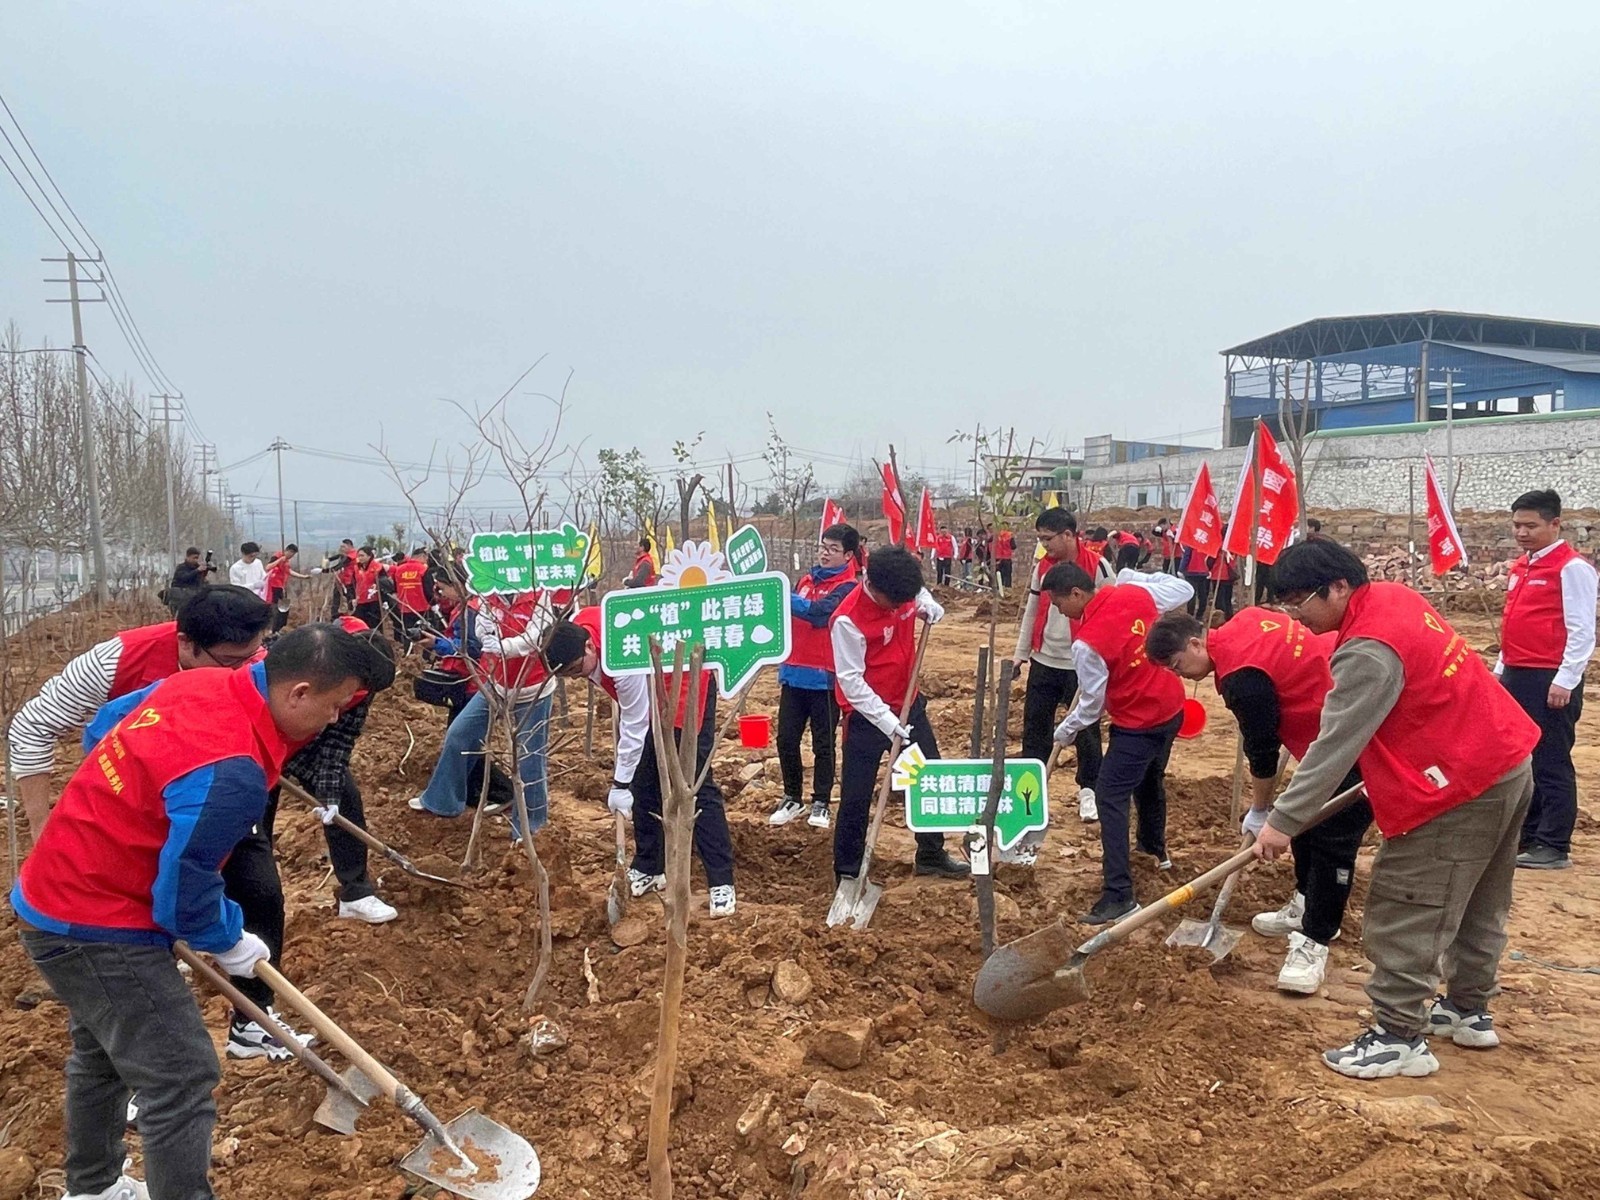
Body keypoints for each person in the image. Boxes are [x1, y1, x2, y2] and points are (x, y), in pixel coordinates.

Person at [12, 624, 381, 1200]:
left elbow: (104, 729)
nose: (334, 721)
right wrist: (232, 940)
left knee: (103, 1053)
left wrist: (127, 809)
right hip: (96, 923)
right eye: (334, 707)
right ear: (300, 692)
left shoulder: (204, 683)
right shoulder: (231, 770)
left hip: (56, 891)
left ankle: (93, 1187)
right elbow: (183, 894)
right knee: (182, 1077)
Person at [1257, 539, 1538, 1079]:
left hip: (1455, 785)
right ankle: (1467, 1010)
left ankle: (1397, 1036)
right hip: (1503, 761)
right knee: (1480, 900)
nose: (1295, 614)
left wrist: (1282, 821)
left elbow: (1334, 744)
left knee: (1408, 906)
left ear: (1338, 587)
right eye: (1286, 604)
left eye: (1301, 601)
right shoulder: (1393, 598)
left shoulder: (1365, 648)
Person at [1147, 607, 1375, 994]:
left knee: (1333, 836)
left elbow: (1262, 749)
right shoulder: (1243, 622)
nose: (1178, 675)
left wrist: (1260, 809)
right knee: (1302, 818)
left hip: (1354, 736)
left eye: (1176, 664)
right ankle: (1303, 903)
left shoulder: (1241, 679)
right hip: (1324, 734)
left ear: (1195, 643)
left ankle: (1316, 940)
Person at [8, 585, 273, 840]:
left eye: (251, 657)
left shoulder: (260, 666)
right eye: (228, 661)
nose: (241, 672)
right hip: (128, 798)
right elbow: (32, 726)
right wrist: (40, 825)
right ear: (184, 643)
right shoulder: (113, 662)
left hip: (215, 794)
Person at [549, 612, 737, 915]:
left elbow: (635, 724)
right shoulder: (577, 623)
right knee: (645, 781)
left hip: (684, 682)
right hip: (649, 689)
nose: (575, 678)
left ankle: (721, 881)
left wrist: (619, 784)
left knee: (693, 784)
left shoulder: (620, 660)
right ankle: (650, 867)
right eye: (567, 675)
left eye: (575, 669)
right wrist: (629, 781)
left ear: (589, 647)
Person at [1047, 562, 1194, 923]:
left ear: (1077, 594)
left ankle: (1118, 893)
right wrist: (1136, 578)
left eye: (1058, 603)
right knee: (1148, 779)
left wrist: (1066, 730)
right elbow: (1184, 590)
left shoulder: (1086, 643)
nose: (1057, 610)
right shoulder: (1133, 593)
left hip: (1140, 721)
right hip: (1172, 707)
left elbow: (1092, 704)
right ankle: (1153, 851)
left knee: (1109, 795)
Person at [831, 544, 969, 882]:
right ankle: (848, 872)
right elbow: (851, 682)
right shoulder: (847, 621)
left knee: (927, 779)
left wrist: (925, 602)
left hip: (910, 703)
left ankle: (931, 853)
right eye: (896, 602)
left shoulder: (901, 588)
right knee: (856, 796)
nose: (900, 606)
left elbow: (915, 591)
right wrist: (887, 721)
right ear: (872, 584)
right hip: (866, 716)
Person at [1492, 490, 1596, 870]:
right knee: (1523, 757)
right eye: (1517, 525)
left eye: (1531, 526)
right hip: (1518, 675)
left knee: (1551, 760)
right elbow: (1513, 625)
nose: (1522, 532)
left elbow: (1582, 630)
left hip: (1549, 678)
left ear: (1555, 524)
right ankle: (1530, 835)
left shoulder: (1572, 568)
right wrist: (1501, 671)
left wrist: (1565, 679)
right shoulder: (1522, 567)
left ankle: (1554, 844)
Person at [409, 587, 556, 840]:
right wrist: (488, 637)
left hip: (534, 688)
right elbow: (482, 630)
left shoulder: (540, 596)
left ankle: (531, 828)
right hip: (496, 683)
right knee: (459, 734)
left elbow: (534, 638)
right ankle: (442, 800)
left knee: (530, 759)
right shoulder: (490, 595)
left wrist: (503, 646)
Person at [280, 619, 401, 925]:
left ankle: (356, 894)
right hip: (264, 744)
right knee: (249, 832)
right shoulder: (303, 663)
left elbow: (339, 740)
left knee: (344, 798)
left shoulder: (362, 681)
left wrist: (329, 794)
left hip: (308, 741)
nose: (354, 697)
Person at [1013, 508, 1110, 843]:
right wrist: (1021, 653)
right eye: (1040, 539)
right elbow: (1030, 611)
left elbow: (1110, 612)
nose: (1044, 545)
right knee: (1035, 728)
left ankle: (1088, 790)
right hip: (1045, 659)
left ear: (1069, 535)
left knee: (1086, 730)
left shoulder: (1097, 567)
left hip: (1081, 664)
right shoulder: (1042, 568)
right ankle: (1030, 795)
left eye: (1047, 538)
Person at [770, 524, 861, 830]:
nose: (825, 553)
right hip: (794, 674)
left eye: (833, 549)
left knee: (823, 743)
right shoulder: (805, 581)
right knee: (786, 739)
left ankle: (821, 801)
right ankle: (792, 796)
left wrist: (782, 595)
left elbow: (821, 614)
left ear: (848, 555)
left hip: (824, 677)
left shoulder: (848, 587)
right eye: (823, 546)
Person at [388, 547, 433, 644]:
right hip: (423, 607)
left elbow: (396, 589)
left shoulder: (399, 570)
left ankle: (408, 652)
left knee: (408, 632)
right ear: (422, 556)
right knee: (425, 632)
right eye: (426, 558)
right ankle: (425, 656)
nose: (426, 561)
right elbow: (428, 589)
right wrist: (433, 603)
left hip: (405, 607)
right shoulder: (424, 569)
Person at [263, 545, 308, 634]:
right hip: (273, 585)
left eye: (293, 554)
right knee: (275, 607)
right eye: (291, 553)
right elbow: (268, 567)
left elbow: (289, 571)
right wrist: (280, 560)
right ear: (287, 550)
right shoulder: (277, 556)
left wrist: (303, 577)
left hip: (281, 586)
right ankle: (271, 628)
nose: (291, 556)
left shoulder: (286, 561)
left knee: (283, 607)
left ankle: (280, 627)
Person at [165, 547, 215, 615]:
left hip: (193, 597)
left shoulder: (196, 566)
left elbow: (200, 581)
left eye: (197, 558)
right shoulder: (181, 567)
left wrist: (204, 571)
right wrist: (197, 570)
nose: (196, 560)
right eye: (194, 558)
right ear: (188, 557)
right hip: (181, 597)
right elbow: (185, 577)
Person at [352, 546, 385, 630]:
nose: (360, 558)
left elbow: (384, 584)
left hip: (374, 601)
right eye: (358, 556)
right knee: (360, 624)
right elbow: (353, 583)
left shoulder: (378, 568)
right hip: (360, 600)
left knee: (374, 624)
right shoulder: (356, 568)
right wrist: (352, 598)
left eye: (362, 555)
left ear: (369, 556)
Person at [325, 539, 359, 618]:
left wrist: (324, 570)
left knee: (350, 600)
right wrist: (328, 560)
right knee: (336, 598)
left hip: (350, 582)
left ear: (350, 546)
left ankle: (353, 617)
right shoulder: (346, 555)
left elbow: (341, 565)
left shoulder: (353, 555)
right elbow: (339, 556)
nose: (342, 548)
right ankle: (334, 616)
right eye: (341, 547)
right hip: (341, 581)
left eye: (343, 546)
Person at [993, 525, 1015, 592]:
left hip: (999, 558)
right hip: (1007, 558)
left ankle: (1000, 588)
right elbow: (1013, 546)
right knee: (1008, 574)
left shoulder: (997, 536)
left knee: (1000, 574)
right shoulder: (1010, 536)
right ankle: (1008, 589)